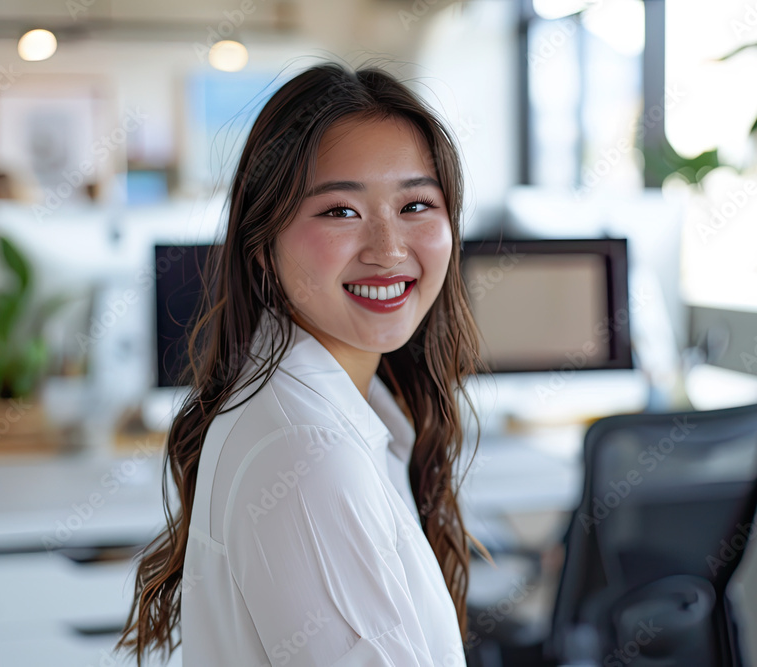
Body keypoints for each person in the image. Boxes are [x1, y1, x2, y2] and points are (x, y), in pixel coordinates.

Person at [117, 61, 490, 666]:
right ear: (262, 245)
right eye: (340, 211)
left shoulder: (334, 413)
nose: (389, 249)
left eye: (416, 205)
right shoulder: (308, 453)